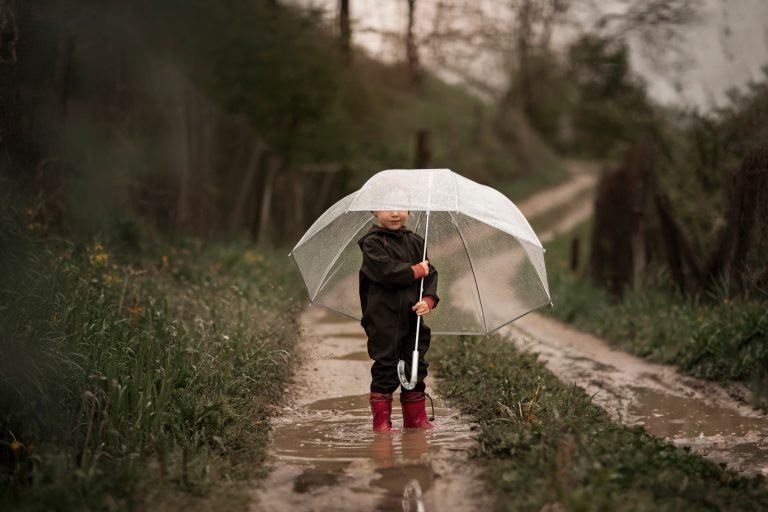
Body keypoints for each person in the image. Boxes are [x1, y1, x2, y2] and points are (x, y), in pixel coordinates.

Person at [357, 209, 439, 432]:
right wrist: (415, 271)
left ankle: (415, 418)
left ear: (409, 210)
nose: (395, 213)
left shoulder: (416, 241)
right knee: (386, 363)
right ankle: (381, 422)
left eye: (401, 207)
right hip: (382, 316)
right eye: (387, 208)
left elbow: (430, 274)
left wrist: (428, 300)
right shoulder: (372, 243)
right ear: (374, 211)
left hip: (412, 314)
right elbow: (385, 271)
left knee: (415, 361)